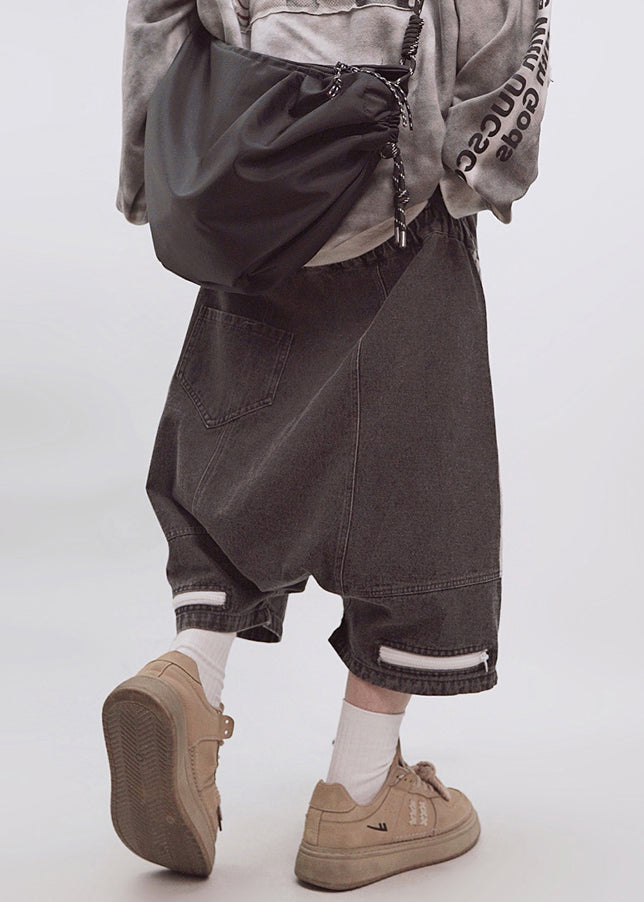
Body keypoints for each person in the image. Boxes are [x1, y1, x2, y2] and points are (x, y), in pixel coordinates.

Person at [102, 0, 553, 890]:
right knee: (419, 489)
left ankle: (189, 675)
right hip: (396, 195)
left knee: (234, 446)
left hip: (253, 189)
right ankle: (360, 792)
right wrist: (479, 170)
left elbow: (158, 12)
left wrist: (152, 167)